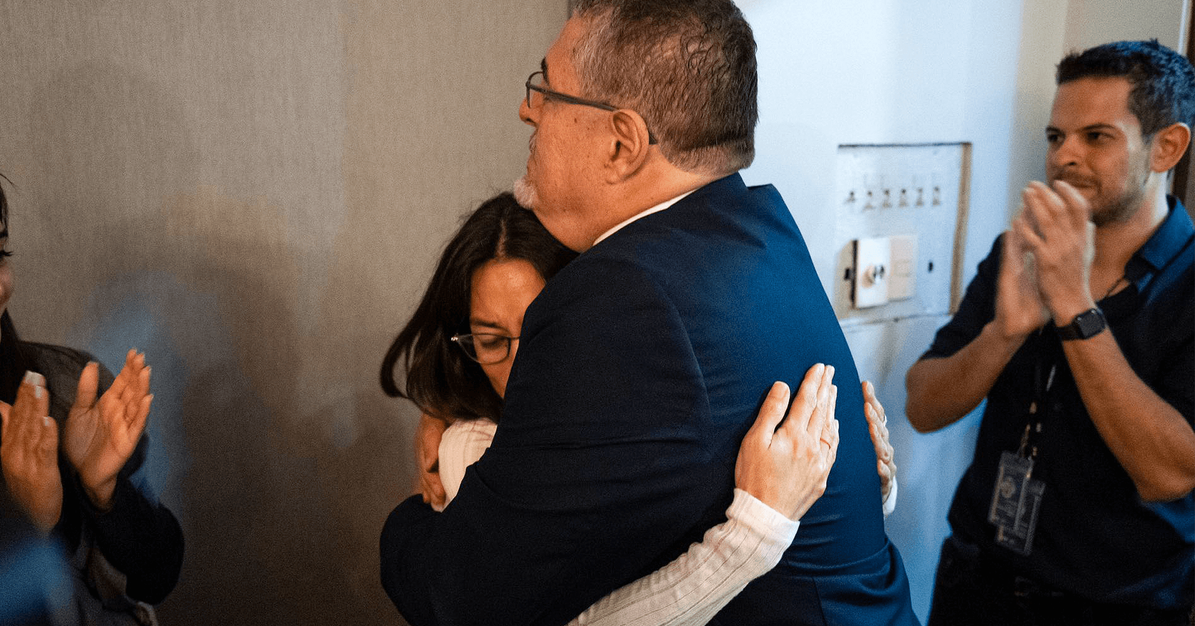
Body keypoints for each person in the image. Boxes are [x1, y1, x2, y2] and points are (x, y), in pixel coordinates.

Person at [380, 2, 918, 624]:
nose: (528, 109)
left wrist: (406, 522)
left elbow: (470, 600)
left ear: (621, 143)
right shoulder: (758, 234)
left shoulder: (625, 301)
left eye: (547, 88)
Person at [380, 194, 899, 624]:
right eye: (492, 341)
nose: (522, 367)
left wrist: (851, 477)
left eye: (541, 335)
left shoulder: (625, 400)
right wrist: (755, 531)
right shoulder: (471, 450)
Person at [905, 40, 1194, 626]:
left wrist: (1074, 306)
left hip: (1115, 609)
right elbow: (922, 406)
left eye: (1097, 137)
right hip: (975, 582)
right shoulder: (1020, 250)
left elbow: (1170, 474)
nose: (1065, 157)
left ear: (1166, 147)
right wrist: (1003, 334)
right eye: (1056, 137)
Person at [0, 175, 185, 625]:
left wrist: (104, 492)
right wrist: (28, 525)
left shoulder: (66, 385)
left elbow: (156, 577)